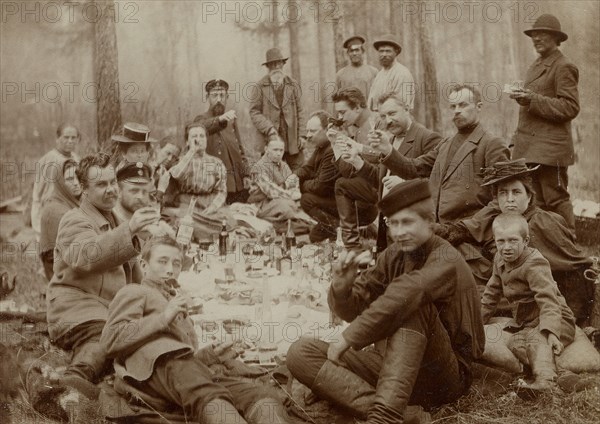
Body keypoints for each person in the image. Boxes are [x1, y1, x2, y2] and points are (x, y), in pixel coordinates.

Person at [286, 179, 484, 423]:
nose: (399, 232)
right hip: (396, 369)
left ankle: (384, 418)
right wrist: (342, 287)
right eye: (393, 223)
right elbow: (356, 308)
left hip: (444, 374)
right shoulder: (395, 254)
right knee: (300, 352)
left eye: (408, 222)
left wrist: (349, 337)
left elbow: (408, 292)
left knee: (413, 307)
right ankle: (406, 416)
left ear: (429, 222)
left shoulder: (446, 258)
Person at [100, 236, 300, 423]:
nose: (170, 269)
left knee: (256, 394)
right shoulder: (135, 291)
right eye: (162, 261)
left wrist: (212, 354)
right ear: (144, 265)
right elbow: (110, 340)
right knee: (208, 394)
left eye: (176, 263)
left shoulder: (173, 299)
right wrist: (162, 318)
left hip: (182, 372)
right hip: (154, 369)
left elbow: (186, 362)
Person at [46, 152, 159, 399]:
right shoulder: (74, 219)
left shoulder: (116, 219)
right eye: (101, 184)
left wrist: (157, 296)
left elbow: (134, 277)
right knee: (106, 335)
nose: (111, 190)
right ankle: (73, 380)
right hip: (75, 307)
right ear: (84, 190)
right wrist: (129, 230)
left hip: (106, 307)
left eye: (112, 182)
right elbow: (86, 257)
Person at [438, 159, 594, 324]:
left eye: (516, 192)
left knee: (465, 296)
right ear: (496, 199)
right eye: (503, 193)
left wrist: (574, 318)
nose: (509, 199)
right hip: (507, 282)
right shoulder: (500, 218)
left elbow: (574, 267)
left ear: (529, 196)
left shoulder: (540, 223)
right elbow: (467, 229)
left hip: (535, 295)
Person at [481, 213, 576, 393]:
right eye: (501, 241)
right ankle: (559, 374)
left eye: (513, 241)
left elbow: (548, 299)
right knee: (516, 343)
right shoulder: (499, 259)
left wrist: (551, 332)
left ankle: (546, 382)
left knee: (536, 339)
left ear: (526, 241)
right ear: (494, 240)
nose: (506, 247)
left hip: (556, 317)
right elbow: (491, 294)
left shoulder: (534, 263)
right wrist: (477, 322)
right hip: (529, 322)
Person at [510, 14, 579, 231]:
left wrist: (531, 99)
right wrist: (515, 141)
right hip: (532, 150)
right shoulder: (536, 65)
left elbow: (570, 107)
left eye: (542, 34)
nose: (536, 38)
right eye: (533, 34)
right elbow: (529, 111)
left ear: (556, 38)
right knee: (536, 204)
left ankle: (571, 248)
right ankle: (549, 251)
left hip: (551, 152)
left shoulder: (563, 66)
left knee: (556, 201)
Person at [352, 92, 442, 251]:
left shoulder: (428, 138)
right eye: (383, 116)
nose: (388, 120)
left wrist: (405, 184)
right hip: (388, 224)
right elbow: (381, 182)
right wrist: (357, 162)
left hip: (411, 229)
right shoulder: (391, 140)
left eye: (392, 113)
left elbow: (438, 184)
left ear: (407, 108)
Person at [157, 122, 233, 240]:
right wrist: (191, 152)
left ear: (207, 140)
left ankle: (194, 231)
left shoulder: (216, 163)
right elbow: (176, 174)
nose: (199, 140)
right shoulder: (181, 160)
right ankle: (200, 233)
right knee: (172, 216)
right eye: (194, 137)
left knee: (229, 221)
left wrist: (213, 207)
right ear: (187, 141)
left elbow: (221, 190)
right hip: (185, 205)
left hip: (207, 206)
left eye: (202, 136)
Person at [249, 48, 307, 171]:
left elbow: (301, 111)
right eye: (272, 64)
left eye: (278, 63)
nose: (276, 67)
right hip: (270, 140)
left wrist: (302, 135)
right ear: (268, 67)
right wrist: (269, 129)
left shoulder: (293, 84)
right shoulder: (259, 86)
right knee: (270, 175)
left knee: (297, 175)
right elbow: (254, 112)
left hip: (292, 141)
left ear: (283, 64)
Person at [194, 79, 250, 204]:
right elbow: (203, 127)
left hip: (236, 184)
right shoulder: (201, 119)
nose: (219, 99)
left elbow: (240, 150)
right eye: (214, 95)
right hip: (216, 185)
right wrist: (220, 119)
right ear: (208, 97)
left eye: (222, 95)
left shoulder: (231, 120)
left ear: (227, 97)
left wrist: (246, 174)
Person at [248, 136, 311, 234]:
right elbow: (271, 191)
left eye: (281, 150)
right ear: (266, 149)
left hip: (283, 199)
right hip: (263, 203)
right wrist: (293, 196)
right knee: (286, 208)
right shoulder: (258, 168)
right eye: (275, 150)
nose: (278, 153)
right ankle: (281, 223)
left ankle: (291, 222)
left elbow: (293, 184)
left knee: (306, 203)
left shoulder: (284, 165)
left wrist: (296, 194)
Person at [296, 110, 341, 242]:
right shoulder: (321, 146)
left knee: (306, 200)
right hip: (331, 199)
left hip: (342, 202)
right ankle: (334, 226)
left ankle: (338, 227)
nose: (308, 135)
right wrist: (294, 178)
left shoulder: (332, 149)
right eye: (307, 131)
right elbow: (307, 168)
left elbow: (321, 186)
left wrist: (301, 184)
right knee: (315, 236)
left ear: (328, 129)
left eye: (313, 131)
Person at [31, 123, 80, 238]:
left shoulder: (76, 158)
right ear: (57, 139)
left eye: (73, 138)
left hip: (71, 209)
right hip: (50, 211)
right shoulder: (49, 160)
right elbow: (41, 193)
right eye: (66, 137)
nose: (70, 141)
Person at [39, 158, 81, 281]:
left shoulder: (76, 201)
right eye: (69, 179)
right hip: (61, 276)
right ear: (60, 183)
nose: (76, 182)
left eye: (78, 177)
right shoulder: (54, 211)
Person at [367, 35, 415, 111]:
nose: (384, 55)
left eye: (388, 51)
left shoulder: (402, 73)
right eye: (381, 51)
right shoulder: (380, 74)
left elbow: (401, 106)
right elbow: (371, 102)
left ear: (396, 52)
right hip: (377, 118)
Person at [335, 35, 378, 99]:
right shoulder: (341, 74)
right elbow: (337, 99)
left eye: (357, 50)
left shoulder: (373, 72)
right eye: (351, 51)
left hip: (367, 108)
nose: (354, 53)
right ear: (348, 53)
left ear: (362, 52)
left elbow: (378, 96)